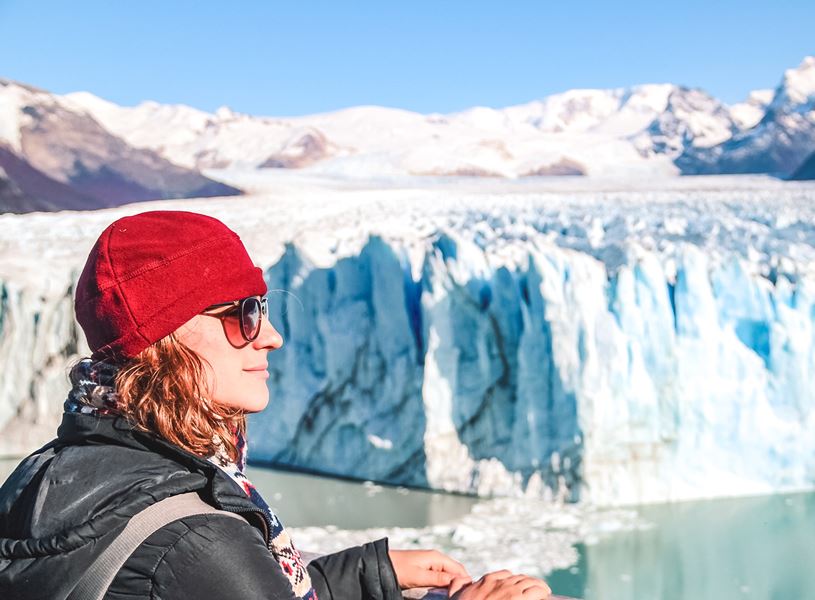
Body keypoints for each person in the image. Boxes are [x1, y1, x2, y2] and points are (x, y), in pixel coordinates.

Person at [0, 211, 552, 600]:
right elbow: (198, 574)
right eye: (244, 313)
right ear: (167, 337)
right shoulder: (195, 539)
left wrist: (365, 574)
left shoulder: (52, 471)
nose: (271, 337)